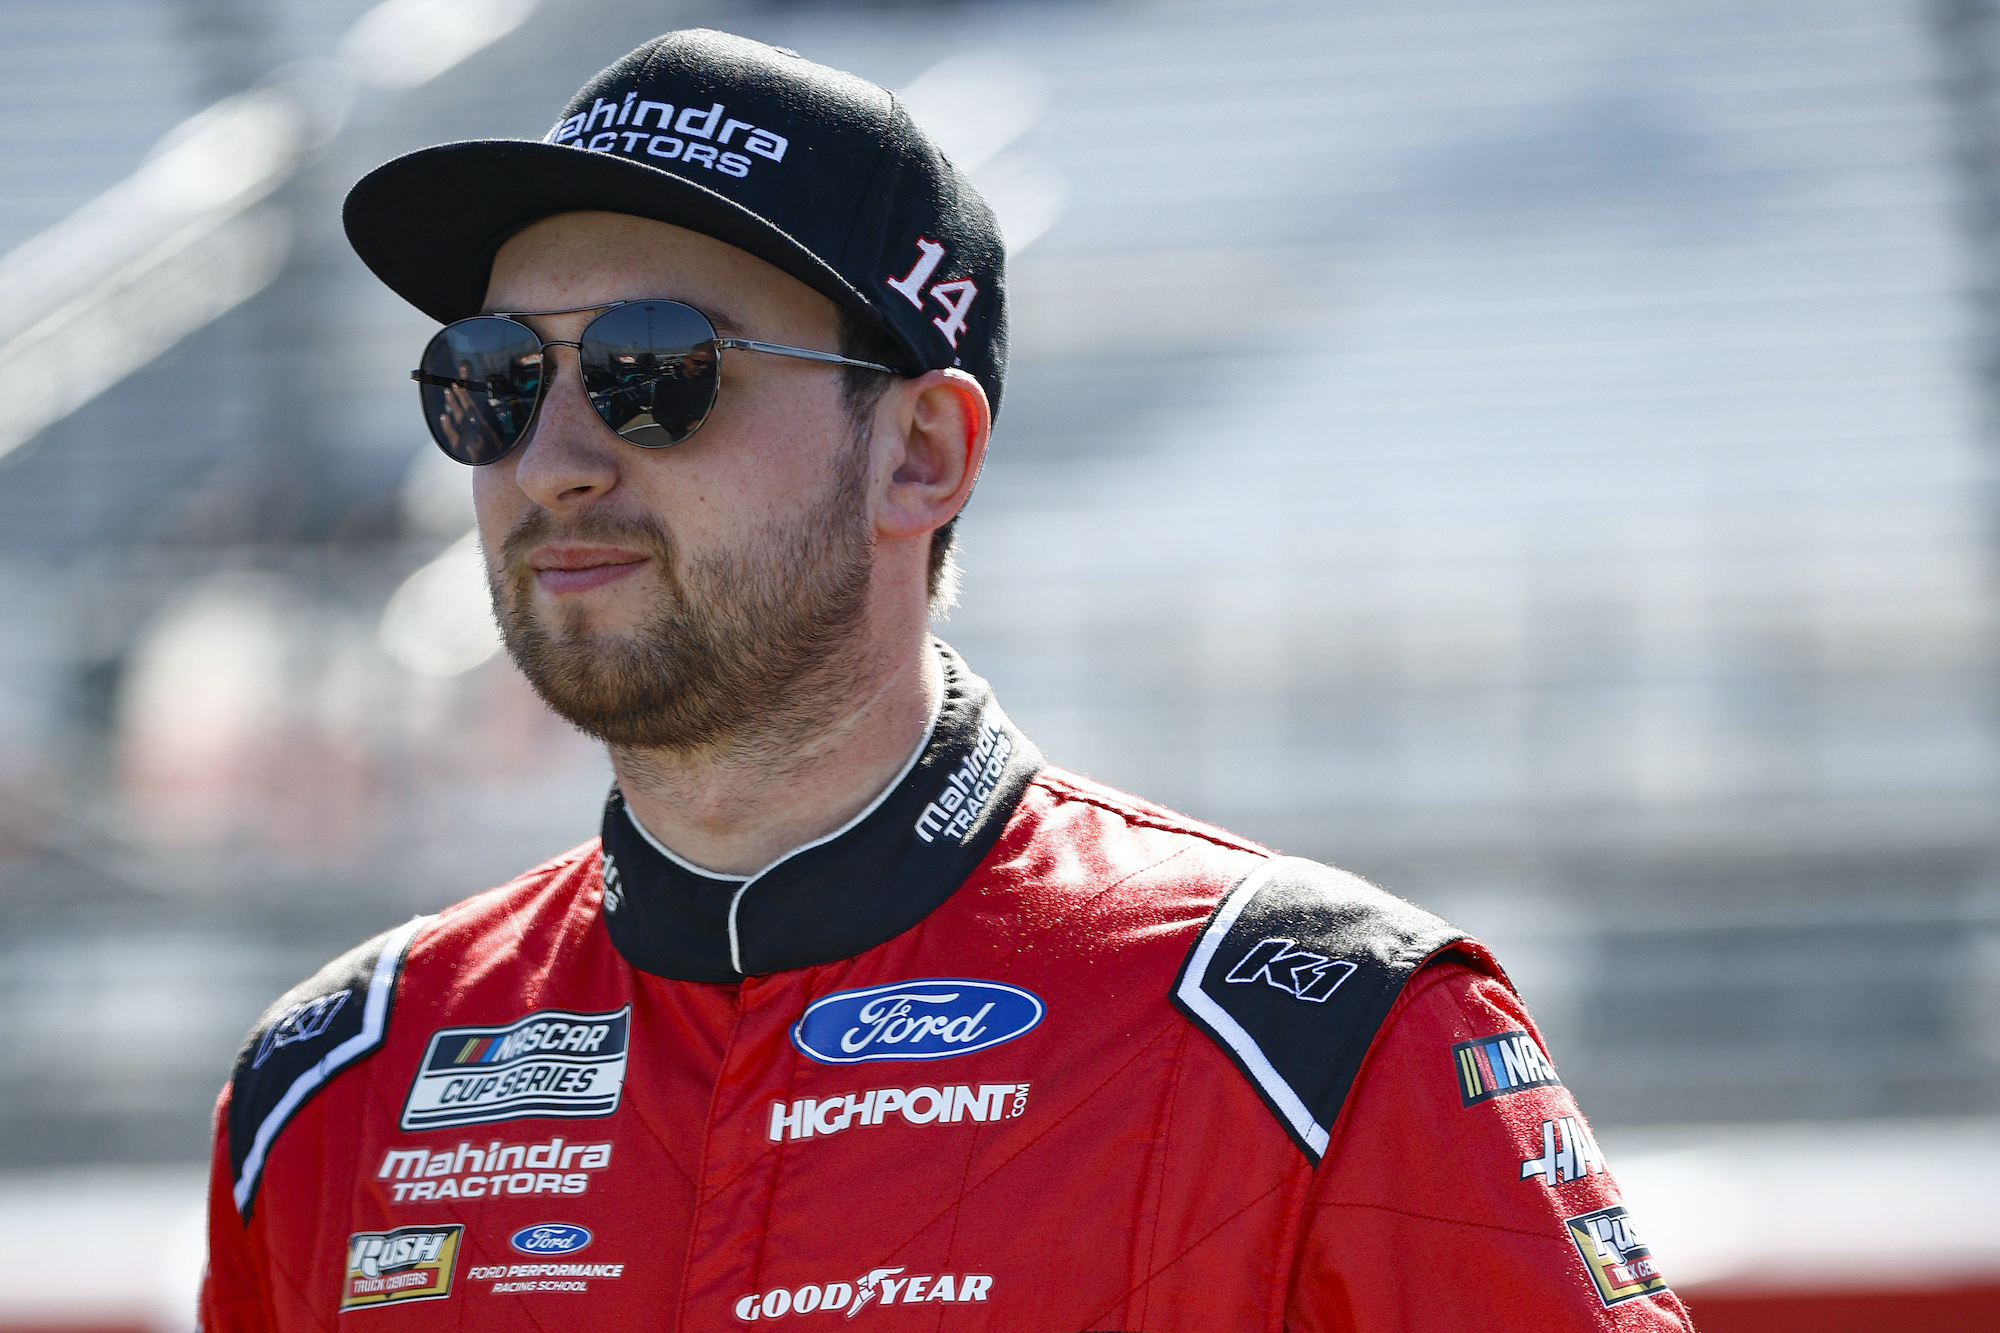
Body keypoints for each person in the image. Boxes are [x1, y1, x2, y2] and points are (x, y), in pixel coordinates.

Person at [199, 29, 1695, 1332]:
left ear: (921, 452)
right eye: (496, 376)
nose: (558, 458)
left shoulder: (1324, 1035)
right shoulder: (335, 1086)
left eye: (658, 367)